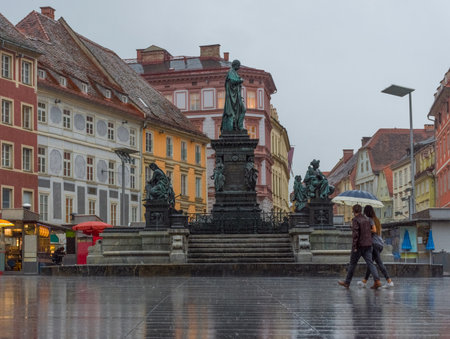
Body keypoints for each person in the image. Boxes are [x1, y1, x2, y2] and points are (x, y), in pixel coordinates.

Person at [338, 204, 382, 289]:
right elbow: (367, 230)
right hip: (368, 245)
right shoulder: (367, 219)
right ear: (361, 211)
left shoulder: (356, 220)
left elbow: (356, 235)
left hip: (359, 245)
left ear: (354, 211)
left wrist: (354, 246)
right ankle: (377, 280)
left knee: (352, 264)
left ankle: (347, 282)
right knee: (370, 263)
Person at [357, 205, 394, 289]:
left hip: (374, 244)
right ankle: (364, 281)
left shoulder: (369, 219)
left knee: (378, 263)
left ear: (366, 212)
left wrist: (365, 230)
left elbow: (374, 231)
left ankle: (389, 281)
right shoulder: (376, 220)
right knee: (371, 264)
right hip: (380, 244)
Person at [221, 60, 246, 132]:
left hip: (237, 97)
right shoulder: (231, 71)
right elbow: (232, 80)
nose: (239, 67)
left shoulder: (234, 73)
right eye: (238, 65)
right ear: (235, 65)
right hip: (232, 98)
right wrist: (240, 80)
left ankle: (239, 127)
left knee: (242, 110)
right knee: (237, 112)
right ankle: (236, 127)